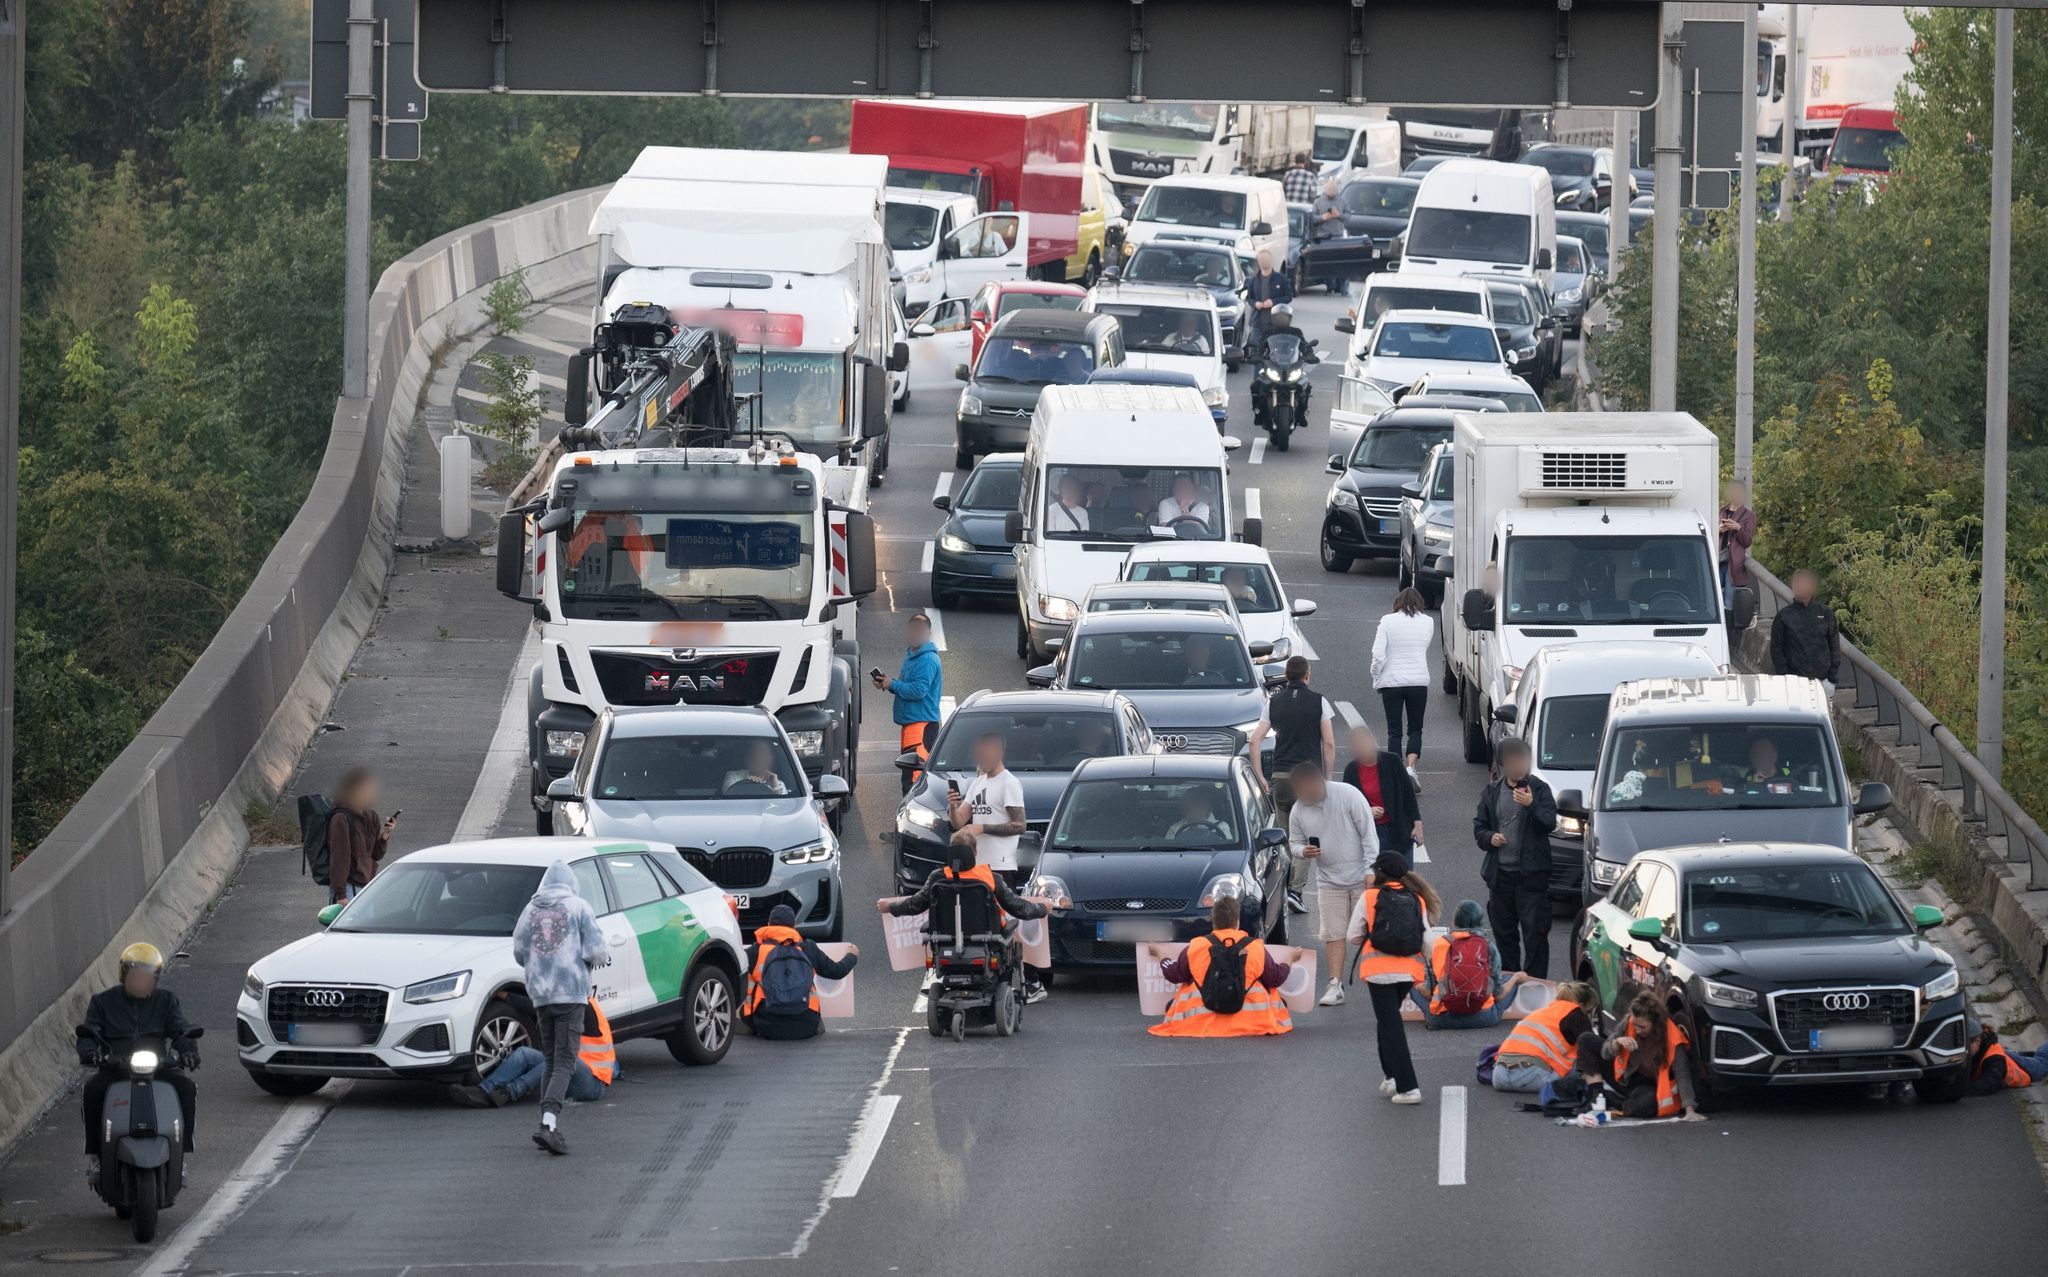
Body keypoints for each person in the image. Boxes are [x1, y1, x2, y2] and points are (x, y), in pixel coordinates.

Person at [511, 860, 607, 1155]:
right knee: (566, 1061)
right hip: (571, 994)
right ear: (570, 882)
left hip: (541, 996)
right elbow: (596, 950)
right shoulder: (578, 907)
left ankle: (546, 1122)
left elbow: (519, 951)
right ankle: (548, 1125)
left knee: (551, 1061)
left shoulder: (530, 910)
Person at [79, 942, 198, 1181]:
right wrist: (90, 1052)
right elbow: (89, 1033)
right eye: (137, 976)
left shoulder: (166, 1001)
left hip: (158, 1067)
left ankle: (181, 1155)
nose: (142, 982)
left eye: (148, 978)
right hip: (116, 1068)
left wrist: (189, 1051)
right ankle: (96, 1155)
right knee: (92, 1090)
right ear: (125, 975)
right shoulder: (102, 1002)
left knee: (186, 1087)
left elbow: (181, 1030)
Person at [1349, 852, 1439, 1103]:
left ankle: (1408, 1087)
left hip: (1378, 972)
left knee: (1391, 1025)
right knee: (1387, 1021)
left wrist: (1373, 934)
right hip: (1409, 971)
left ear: (1380, 873)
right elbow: (1428, 941)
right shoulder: (1416, 899)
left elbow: (1352, 936)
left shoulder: (1370, 897)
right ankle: (1390, 1076)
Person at [1283, 763, 1374, 1008]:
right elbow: (1294, 843)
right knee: (1333, 933)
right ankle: (1335, 985)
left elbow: (1368, 834)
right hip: (1328, 880)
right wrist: (1303, 851)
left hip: (1361, 876)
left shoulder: (1348, 795)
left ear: (1318, 782)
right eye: (1300, 792)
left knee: (1370, 933)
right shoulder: (1298, 810)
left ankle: (1381, 980)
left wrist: (1371, 869)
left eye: (1307, 790)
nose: (1304, 796)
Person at [1149, 895, 1293, 1037]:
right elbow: (1275, 978)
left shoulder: (1197, 946)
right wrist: (1290, 959)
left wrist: (1161, 954)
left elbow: (1174, 974)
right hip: (1254, 1023)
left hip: (1198, 1023)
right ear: (1237, 922)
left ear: (1213, 922)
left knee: (1187, 984)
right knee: (1267, 986)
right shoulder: (1255, 947)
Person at [1473, 739, 1558, 978]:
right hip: (1500, 877)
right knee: (1504, 934)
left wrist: (1531, 805)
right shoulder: (1492, 792)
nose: (1518, 764)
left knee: (1536, 934)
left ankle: (1535, 983)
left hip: (1531, 877)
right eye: (1512, 759)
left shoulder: (1539, 789)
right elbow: (1479, 828)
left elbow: (1548, 823)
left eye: (1522, 759)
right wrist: (1490, 837)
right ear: (1503, 762)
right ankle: (1510, 981)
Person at [451, 996, 614, 1107]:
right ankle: (483, 1091)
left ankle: (508, 1093)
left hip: (592, 1085)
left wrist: (508, 996)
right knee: (524, 1054)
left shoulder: (583, 1008)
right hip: (570, 1074)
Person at [1575, 990, 1704, 1120]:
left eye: (1642, 1027)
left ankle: (1611, 1100)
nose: (1637, 1030)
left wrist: (1689, 1109)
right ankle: (1596, 1096)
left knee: (1644, 1105)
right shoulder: (1629, 1021)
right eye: (1635, 1025)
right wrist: (1616, 1043)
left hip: (1650, 1087)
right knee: (1586, 1039)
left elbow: (1682, 1074)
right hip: (1627, 1077)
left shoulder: (1673, 1039)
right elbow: (1605, 1053)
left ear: (1655, 1023)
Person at [742, 904, 859, 1041]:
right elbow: (836, 972)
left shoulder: (756, 950)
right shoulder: (807, 948)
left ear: (769, 925)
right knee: (819, 1025)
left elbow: (732, 970)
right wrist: (851, 956)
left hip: (766, 1026)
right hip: (807, 1025)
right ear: (794, 926)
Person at [1409, 900, 1532, 1029]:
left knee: (1413, 984)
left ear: (1454, 922)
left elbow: (1428, 992)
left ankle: (1436, 1012)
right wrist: (1516, 978)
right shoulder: (1488, 946)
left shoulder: (1439, 944)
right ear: (1480, 923)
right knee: (1509, 979)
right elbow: (1499, 994)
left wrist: (1417, 986)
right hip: (1485, 1017)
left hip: (1442, 1019)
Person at [1371, 588, 1435, 790]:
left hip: (1391, 682)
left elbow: (1378, 655)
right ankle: (1411, 768)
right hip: (1418, 681)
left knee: (1394, 730)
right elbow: (1422, 647)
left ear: (1397, 602)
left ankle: (1396, 772)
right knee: (1415, 728)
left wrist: (1376, 677)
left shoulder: (1387, 621)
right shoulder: (1428, 622)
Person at [1490, 981, 1601, 1093]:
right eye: (1590, 1010)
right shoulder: (1577, 1013)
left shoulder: (1541, 1012)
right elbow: (1591, 1049)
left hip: (1499, 1077)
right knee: (1584, 1062)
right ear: (1582, 1005)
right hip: (1531, 1077)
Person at [875, 613, 943, 793]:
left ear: (928, 633)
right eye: (913, 630)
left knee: (914, 780)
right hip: (913, 725)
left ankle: (912, 810)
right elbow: (910, 686)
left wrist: (893, 684)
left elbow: (918, 691)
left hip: (921, 726)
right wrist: (889, 684)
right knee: (910, 775)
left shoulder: (927, 659)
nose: (915, 634)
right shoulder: (914, 655)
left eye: (919, 631)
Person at [1339, 725, 1423, 858]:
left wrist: (1417, 824)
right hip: (1371, 835)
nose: (1362, 748)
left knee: (1403, 871)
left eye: (1364, 742)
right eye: (1357, 745)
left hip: (1398, 831)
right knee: (1375, 871)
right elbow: (1347, 806)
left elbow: (1408, 794)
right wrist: (1367, 812)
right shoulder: (1351, 771)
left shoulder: (1392, 761)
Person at [951, 732, 1026, 880]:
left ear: (999, 752)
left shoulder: (1009, 783)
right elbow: (958, 822)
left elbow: (1020, 826)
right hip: (977, 865)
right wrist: (953, 808)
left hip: (1000, 866)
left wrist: (982, 828)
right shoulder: (977, 783)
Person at [327, 765, 396, 906]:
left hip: (366, 889)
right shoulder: (341, 818)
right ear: (355, 790)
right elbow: (339, 857)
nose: (372, 793)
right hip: (347, 890)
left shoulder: (371, 816)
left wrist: (385, 834)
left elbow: (376, 855)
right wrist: (340, 895)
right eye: (368, 789)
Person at [1769, 568, 1842, 689]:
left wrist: (1832, 677)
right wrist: (1785, 676)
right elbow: (1776, 649)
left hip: (1823, 681)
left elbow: (1834, 645)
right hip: (1795, 682)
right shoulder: (1783, 616)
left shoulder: (1825, 613)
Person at [1967, 1023, 2048, 1094]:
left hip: (2021, 1069)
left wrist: (1961, 1091)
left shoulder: (1994, 1060)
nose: (1964, 1050)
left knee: (2042, 1061)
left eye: (1967, 1046)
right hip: (2005, 1055)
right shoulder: (1979, 1048)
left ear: (1978, 1041)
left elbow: (1987, 1085)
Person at [1244, 250, 1294, 352]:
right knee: (1255, 352)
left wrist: (1273, 302)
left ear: (1271, 260)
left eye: (1266, 259)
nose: (1264, 261)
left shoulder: (1281, 279)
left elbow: (1289, 296)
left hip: (1276, 322)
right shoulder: (1253, 280)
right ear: (1258, 262)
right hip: (1257, 323)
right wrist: (1255, 304)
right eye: (1261, 259)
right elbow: (1249, 298)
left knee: (1275, 351)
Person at [1717, 479, 1755, 607]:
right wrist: (1719, 530)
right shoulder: (1720, 511)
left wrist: (1738, 528)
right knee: (1714, 598)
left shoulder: (1749, 515)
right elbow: (1709, 534)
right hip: (1717, 559)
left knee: (1729, 602)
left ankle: (1729, 619)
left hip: (1734, 564)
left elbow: (1747, 541)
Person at [722, 740, 789, 795]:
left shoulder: (778, 783)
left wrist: (775, 787)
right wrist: (749, 784)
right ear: (747, 759)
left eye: (766, 756)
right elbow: (729, 798)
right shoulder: (733, 776)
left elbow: (782, 804)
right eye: (758, 755)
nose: (762, 759)